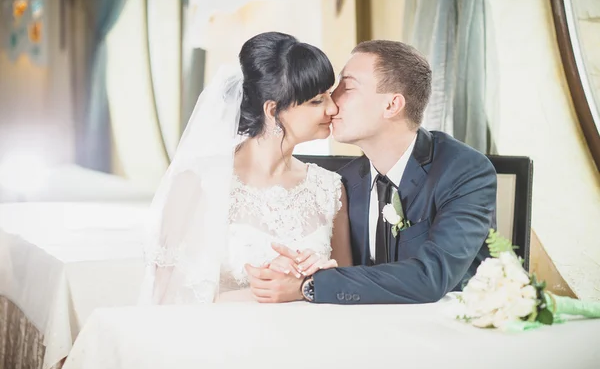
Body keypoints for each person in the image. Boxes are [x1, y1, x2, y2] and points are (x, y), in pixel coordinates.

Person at [245, 40, 497, 304]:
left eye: (347, 86)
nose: (331, 103)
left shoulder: (464, 171)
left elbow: (431, 277)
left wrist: (310, 286)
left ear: (391, 105)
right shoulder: (342, 182)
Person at [139, 32, 353, 304]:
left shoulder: (329, 188)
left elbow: (347, 287)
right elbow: (164, 297)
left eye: (329, 96)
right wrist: (263, 293)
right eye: (317, 100)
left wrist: (312, 283)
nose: (333, 108)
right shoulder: (197, 182)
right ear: (272, 110)